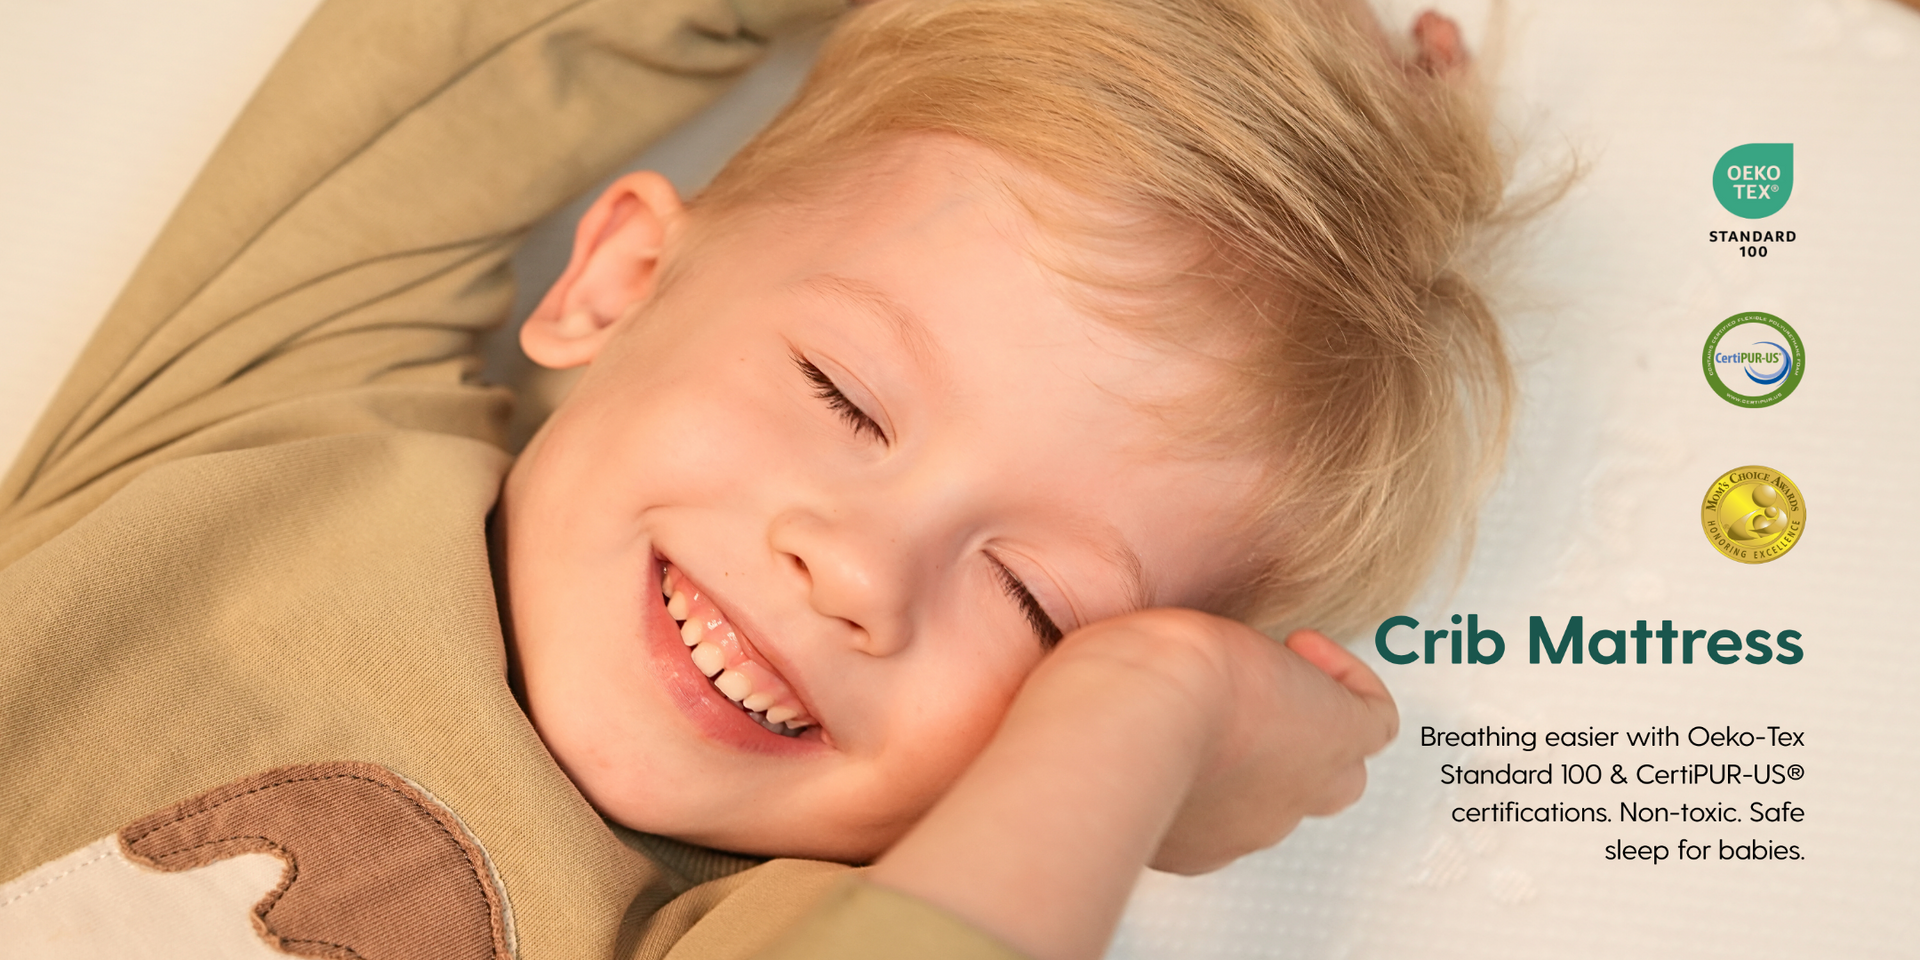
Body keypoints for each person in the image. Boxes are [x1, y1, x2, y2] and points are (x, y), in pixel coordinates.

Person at [0, 0, 1508, 958]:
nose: (859, 574)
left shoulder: (745, 927)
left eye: (1039, 605)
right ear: (625, 275)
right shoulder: (273, 408)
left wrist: (1159, 713)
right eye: (842, 397)